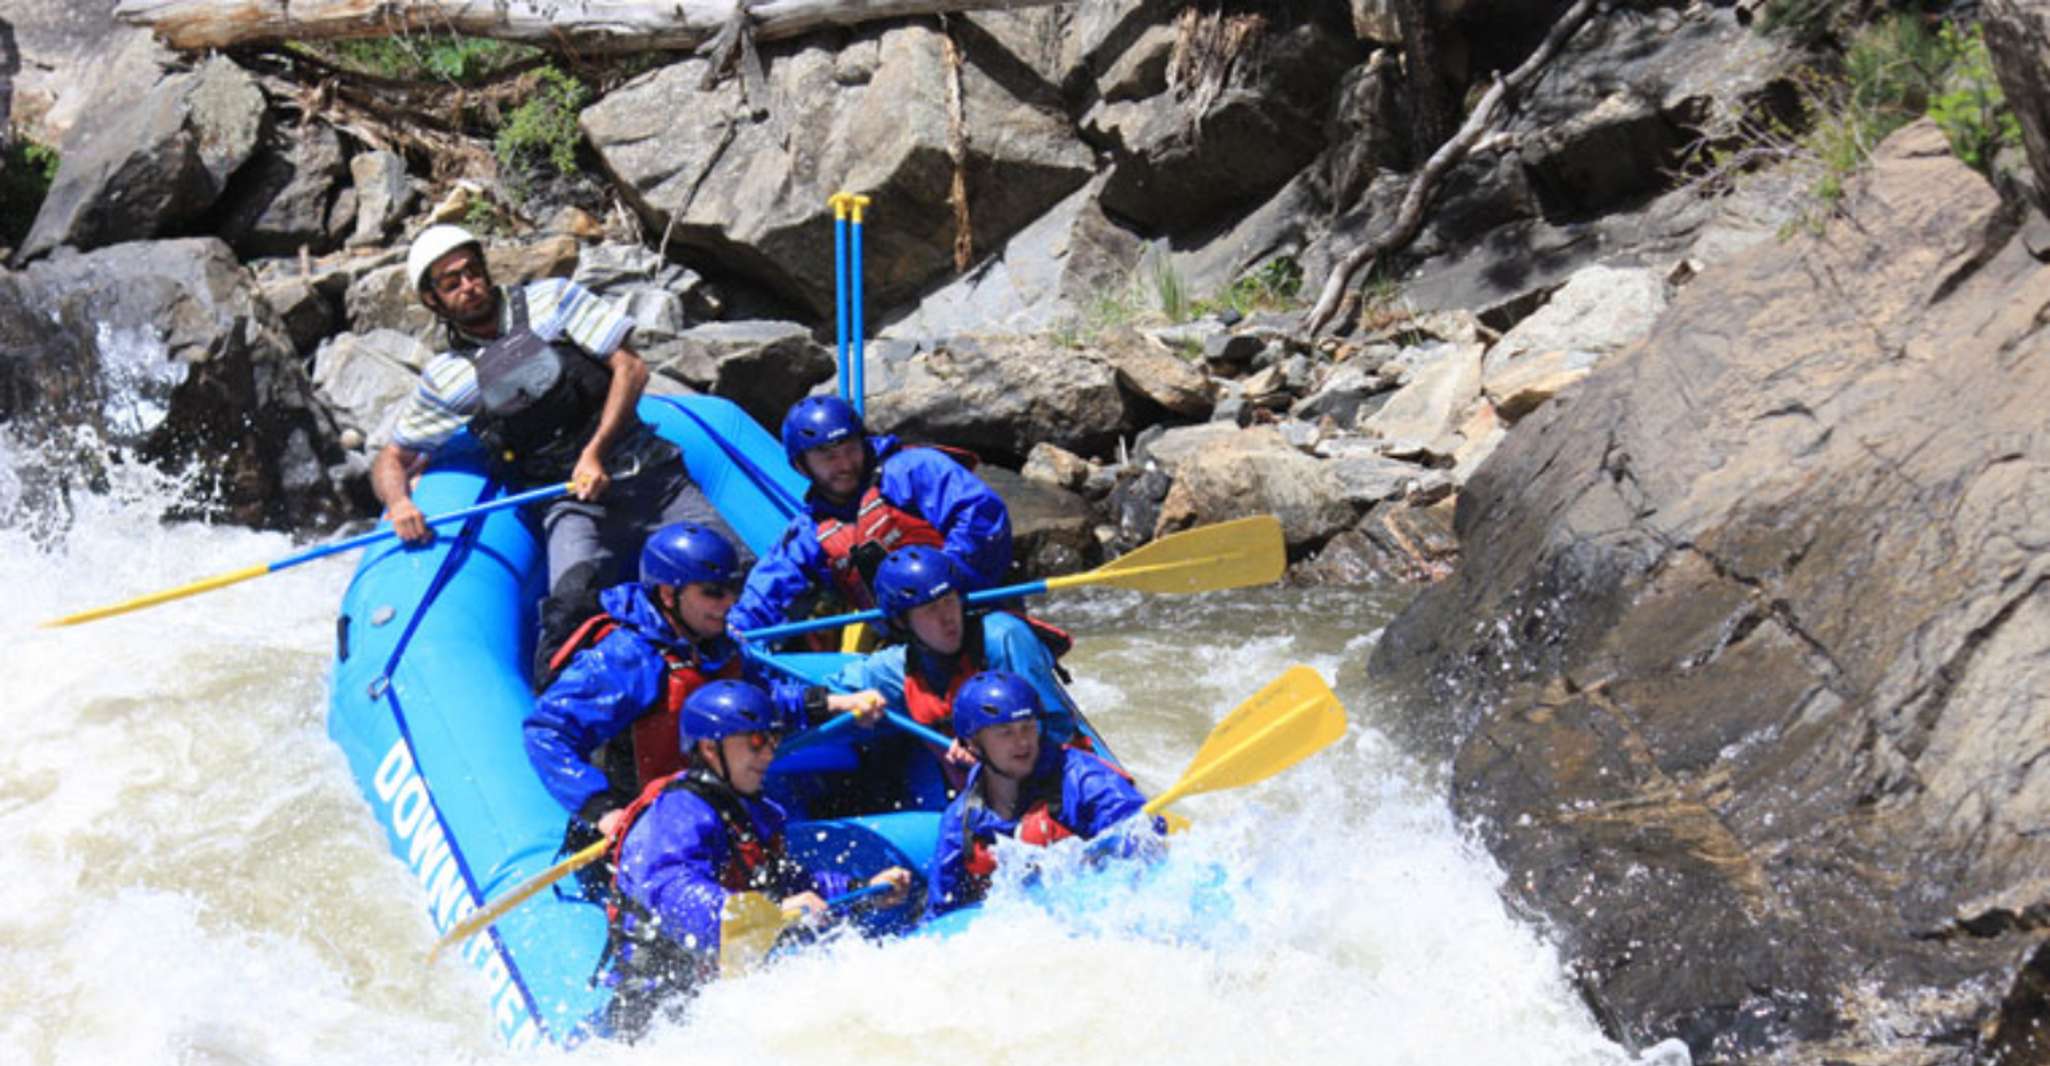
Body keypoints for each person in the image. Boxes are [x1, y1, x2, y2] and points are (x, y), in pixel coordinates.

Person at [369, 225, 745, 664]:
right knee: (568, 618)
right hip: (570, 505)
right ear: (433, 300)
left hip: (652, 477)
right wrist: (399, 505)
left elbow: (631, 369)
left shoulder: (554, 301)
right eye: (452, 283)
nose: (469, 286)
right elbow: (392, 459)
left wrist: (595, 454)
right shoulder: (448, 377)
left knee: (743, 574)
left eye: (473, 272)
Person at [526, 522, 883, 855]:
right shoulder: (626, 658)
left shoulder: (717, 643)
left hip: (712, 811)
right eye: (713, 592)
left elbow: (757, 702)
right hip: (641, 833)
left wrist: (833, 702)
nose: (729, 604)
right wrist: (603, 811)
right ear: (668, 595)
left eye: (733, 590)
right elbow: (547, 732)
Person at [602, 679, 912, 1039]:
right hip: (656, 1009)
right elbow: (676, 894)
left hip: (719, 996)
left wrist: (862, 890)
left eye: (772, 741)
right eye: (755, 742)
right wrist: (767, 914)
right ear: (709, 748)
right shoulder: (679, 812)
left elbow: (792, 885)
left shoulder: (752, 811)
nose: (768, 755)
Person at [728, 394, 1011, 641]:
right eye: (827, 456)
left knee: (1004, 635)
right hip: (906, 646)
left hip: (975, 612)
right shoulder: (810, 533)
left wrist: (943, 581)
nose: (844, 465)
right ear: (802, 466)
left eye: (850, 448)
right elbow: (769, 590)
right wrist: (734, 630)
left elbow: (982, 516)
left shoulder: (912, 470)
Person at [817, 544, 1079, 806]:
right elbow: (824, 693)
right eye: (930, 609)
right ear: (901, 621)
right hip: (978, 794)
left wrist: (989, 753)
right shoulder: (893, 669)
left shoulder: (1004, 638)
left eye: (949, 601)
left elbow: (1058, 729)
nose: (947, 618)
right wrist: (818, 704)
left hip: (1052, 782)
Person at [925, 671, 1161, 919]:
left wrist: (1098, 858)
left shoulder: (1084, 779)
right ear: (973, 744)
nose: (1022, 742)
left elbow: (1147, 834)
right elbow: (941, 912)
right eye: (1005, 732)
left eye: (1027, 727)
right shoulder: (961, 820)